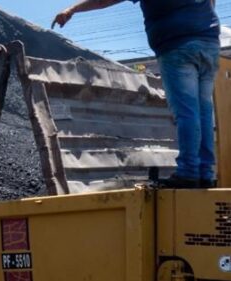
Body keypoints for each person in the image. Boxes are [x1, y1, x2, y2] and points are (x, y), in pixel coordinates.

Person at [53, 0, 220, 188]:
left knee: (187, 112)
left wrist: (72, 9)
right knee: (204, 112)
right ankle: (206, 173)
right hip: (209, 43)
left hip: (178, 45)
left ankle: (188, 173)